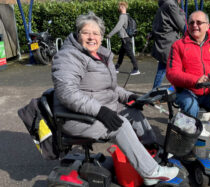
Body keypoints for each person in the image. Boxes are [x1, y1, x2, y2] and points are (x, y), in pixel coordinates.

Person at [52, 11, 179, 186]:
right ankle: (150, 173)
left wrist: (131, 97)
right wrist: (101, 111)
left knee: (134, 113)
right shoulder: (68, 56)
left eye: (96, 33)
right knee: (121, 125)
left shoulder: (101, 55)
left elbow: (111, 89)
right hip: (75, 116)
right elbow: (67, 94)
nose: (91, 37)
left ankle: (150, 153)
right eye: (86, 32)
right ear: (77, 33)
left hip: (101, 108)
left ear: (102, 37)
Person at [151, 0, 186, 89]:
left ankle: (157, 91)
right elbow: (181, 24)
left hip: (164, 41)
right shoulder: (171, 5)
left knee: (164, 68)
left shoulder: (164, 3)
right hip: (169, 42)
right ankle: (155, 92)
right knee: (165, 68)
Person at [107, 1, 140, 75]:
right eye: (120, 6)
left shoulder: (122, 16)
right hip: (126, 38)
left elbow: (118, 27)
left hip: (125, 38)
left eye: (122, 6)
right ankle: (116, 67)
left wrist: (110, 34)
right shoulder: (127, 16)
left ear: (124, 7)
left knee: (130, 54)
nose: (120, 8)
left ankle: (136, 69)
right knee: (121, 53)